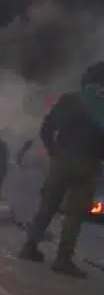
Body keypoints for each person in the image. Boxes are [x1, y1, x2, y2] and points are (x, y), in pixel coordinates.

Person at [18, 65, 104, 278]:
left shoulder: (70, 99)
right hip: (88, 164)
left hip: (61, 160)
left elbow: (47, 128)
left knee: (47, 205)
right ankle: (63, 259)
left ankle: (30, 246)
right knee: (74, 214)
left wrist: (53, 150)